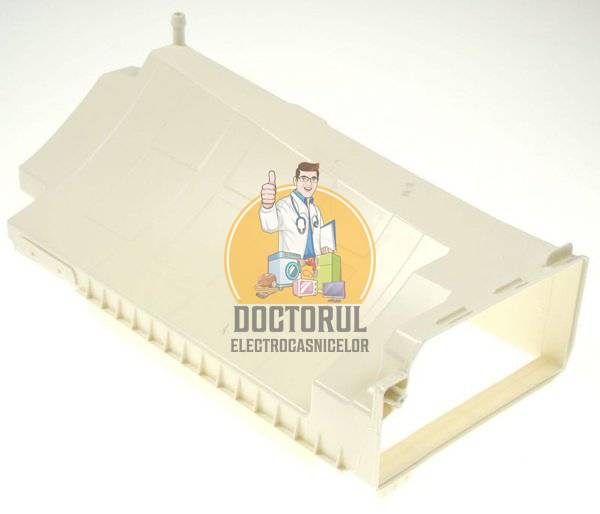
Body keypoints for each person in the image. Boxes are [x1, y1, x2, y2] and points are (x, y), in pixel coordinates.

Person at [259, 162, 332, 260]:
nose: (309, 183)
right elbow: (270, 226)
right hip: (292, 266)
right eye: (304, 178)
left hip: (315, 266)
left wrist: (325, 248)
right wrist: (268, 207)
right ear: (295, 181)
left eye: (313, 179)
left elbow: (322, 238)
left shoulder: (316, 210)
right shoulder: (285, 205)